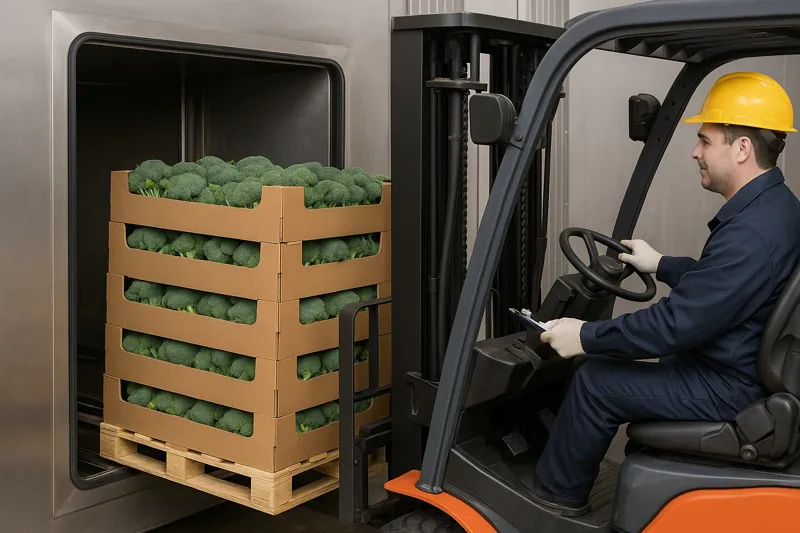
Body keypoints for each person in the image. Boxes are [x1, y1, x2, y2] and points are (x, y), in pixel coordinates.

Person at [522, 71, 800, 516]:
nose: (695, 152)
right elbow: (725, 288)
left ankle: (552, 504)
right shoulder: (778, 209)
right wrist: (663, 264)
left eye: (706, 141)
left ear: (742, 148)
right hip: (742, 365)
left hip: (729, 385)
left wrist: (585, 336)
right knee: (611, 364)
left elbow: (677, 324)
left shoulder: (749, 234)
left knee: (595, 381)